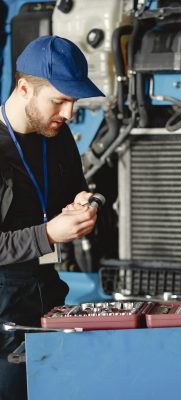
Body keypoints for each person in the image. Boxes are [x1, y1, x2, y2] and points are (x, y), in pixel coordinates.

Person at [0, 35, 105, 399]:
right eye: (59, 100)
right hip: (3, 316)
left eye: (73, 101)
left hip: (49, 297)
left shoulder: (57, 136)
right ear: (25, 88)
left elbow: (82, 191)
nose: (69, 113)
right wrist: (48, 234)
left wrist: (89, 204)